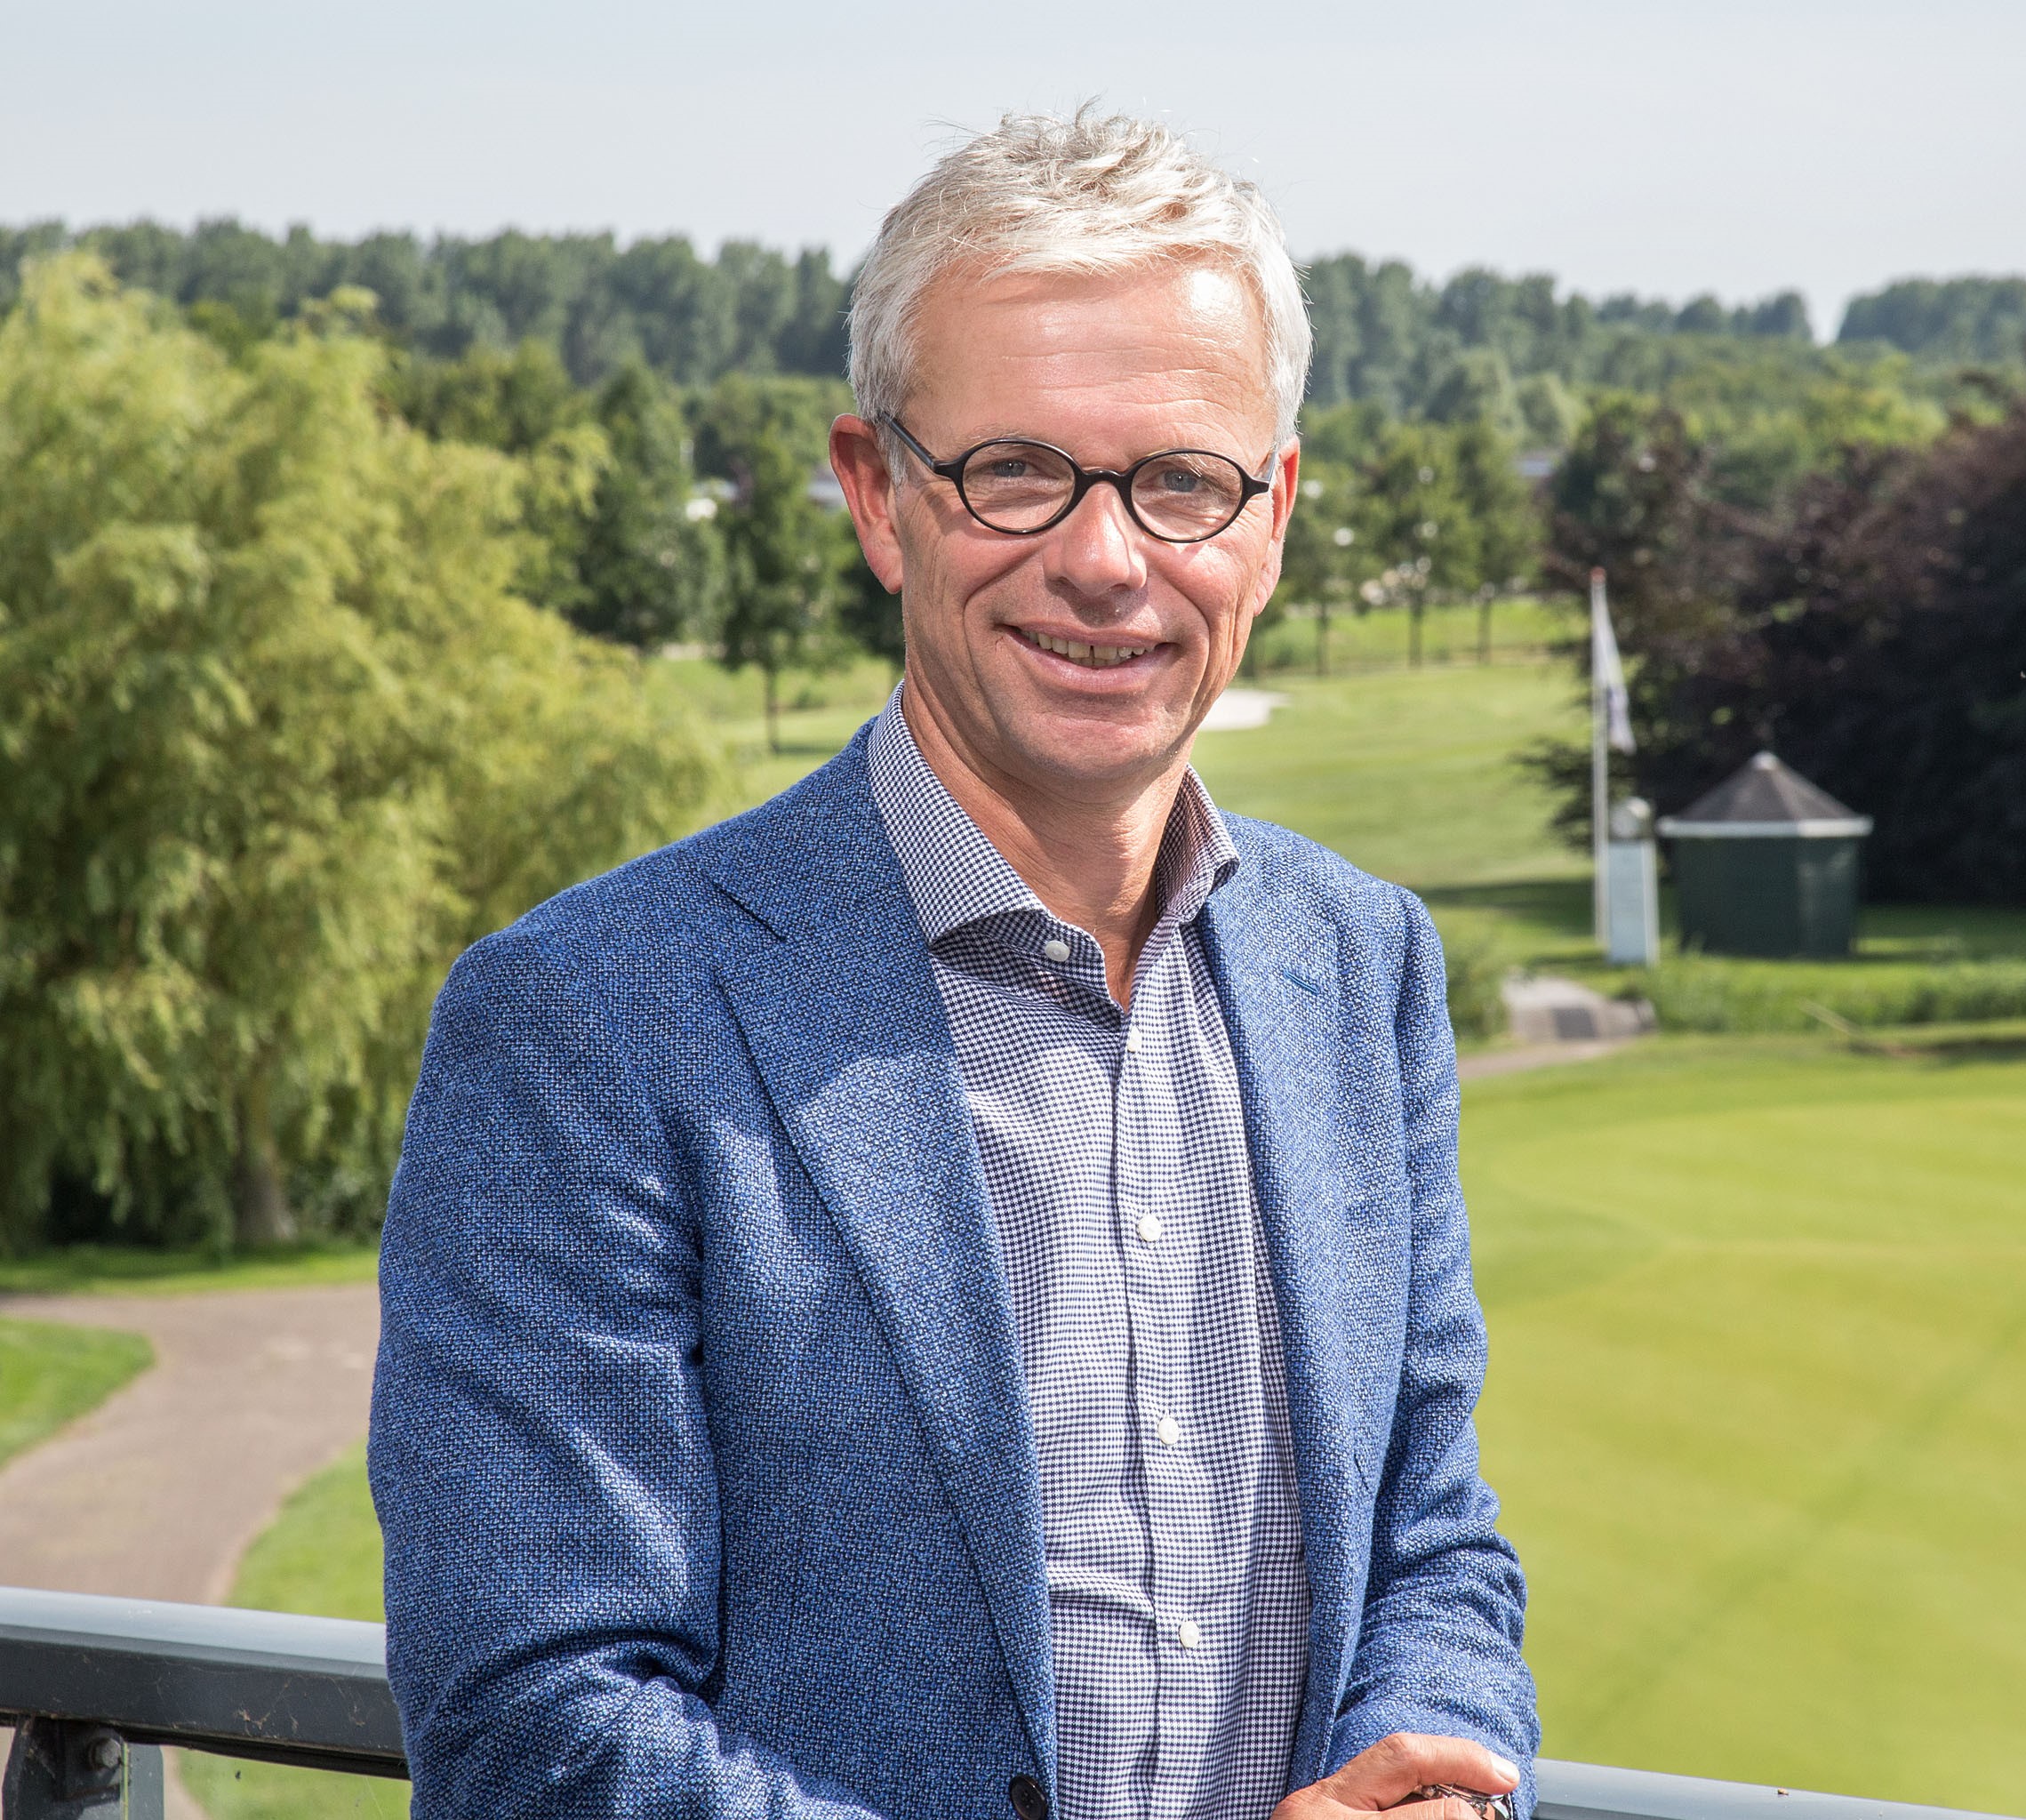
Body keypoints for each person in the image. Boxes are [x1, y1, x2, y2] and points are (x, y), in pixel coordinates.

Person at [368, 109, 1538, 1820]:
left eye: (1182, 482)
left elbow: (1433, 1535)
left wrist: (1432, 1769)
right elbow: (536, 1722)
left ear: (1273, 518)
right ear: (877, 497)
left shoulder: (1362, 968)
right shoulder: (587, 1017)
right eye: (1014, 472)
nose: (1103, 558)